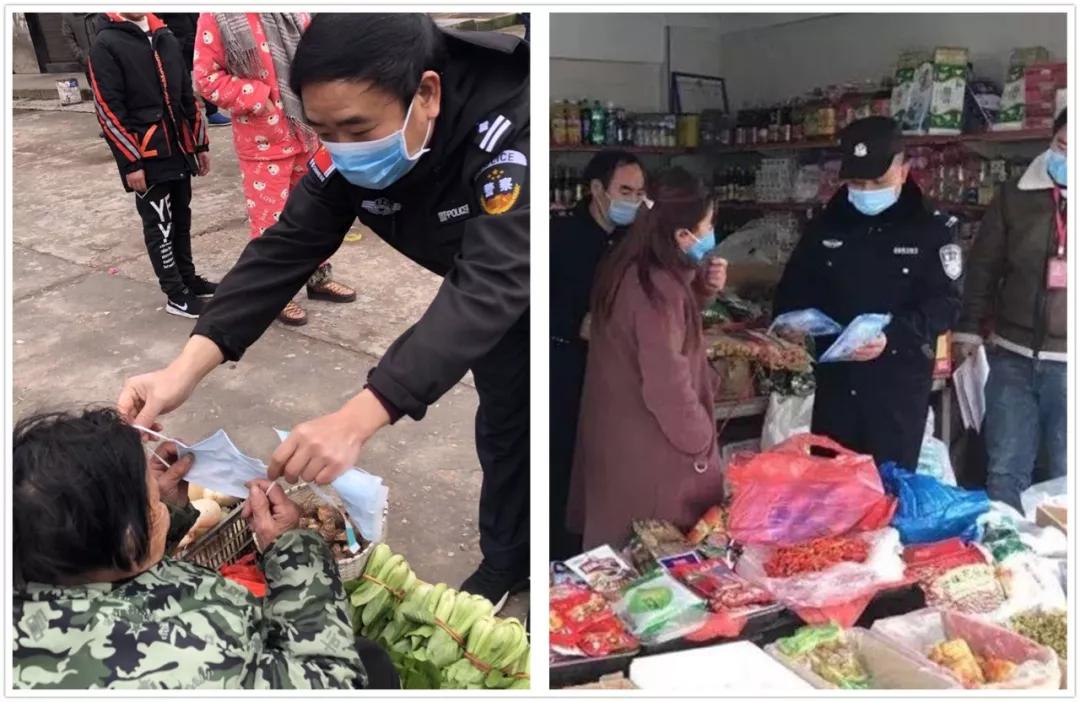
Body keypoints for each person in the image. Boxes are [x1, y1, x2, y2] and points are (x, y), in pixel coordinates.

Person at [118, 14, 529, 610]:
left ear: (429, 93)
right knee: (509, 425)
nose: (343, 146)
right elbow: (285, 249)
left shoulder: (510, 129)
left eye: (358, 128)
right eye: (323, 128)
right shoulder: (347, 147)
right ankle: (508, 560)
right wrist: (181, 371)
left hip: (560, 282)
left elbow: (490, 283)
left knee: (581, 427)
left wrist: (360, 416)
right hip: (486, 301)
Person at [11, 408, 395, 690]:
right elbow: (330, 682)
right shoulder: (186, 659)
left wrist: (168, 514)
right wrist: (290, 546)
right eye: (153, 503)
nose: (161, 501)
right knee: (371, 662)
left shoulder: (42, 571)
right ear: (126, 536)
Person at [774, 116, 962, 469]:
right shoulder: (828, 221)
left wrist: (890, 336)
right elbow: (793, 286)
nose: (867, 191)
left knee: (886, 494)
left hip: (896, 391)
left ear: (904, 170)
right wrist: (790, 322)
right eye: (858, 181)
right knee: (832, 489)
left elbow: (946, 305)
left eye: (878, 181)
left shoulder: (931, 228)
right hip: (836, 388)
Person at [567, 168, 727, 549]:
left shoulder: (629, 264)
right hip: (650, 448)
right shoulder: (656, 287)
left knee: (619, 563)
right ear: (681, 235)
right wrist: (702, 445)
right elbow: (667, 386)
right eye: (706, 226)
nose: (710, 235)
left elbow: (665, 329)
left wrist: (701, 287)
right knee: (651, 568)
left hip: (622, 439)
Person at [193, 12, 356, 326]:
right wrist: (259, 97)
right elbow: (205, 79)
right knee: (271, 226)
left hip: (306, 133)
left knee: (316, 214)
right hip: (262, 141)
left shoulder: (295, 11)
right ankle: (278, 295)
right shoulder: (218, 16)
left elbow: (318, 52)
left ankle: (318, 278)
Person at [953, 109, 1067, 509]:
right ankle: (1007, 558)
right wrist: (967, 329)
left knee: (1066, 476)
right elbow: (984, 264)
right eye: (1061, 146)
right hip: (1012, 357)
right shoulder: (1016, 194)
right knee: (1005, 469)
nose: (1066, 158)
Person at [89, 12, 217, 319]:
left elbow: (186, 93)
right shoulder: (106, 43)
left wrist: (199, 144)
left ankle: (189, 279)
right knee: (160, 225)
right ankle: (175, 294)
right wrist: (131, 162)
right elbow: (109, 110)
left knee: (181, 219)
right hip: (146, 154)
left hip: (179, 148)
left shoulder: (165, 36)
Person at [550, 150, 645, 560]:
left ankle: (601, 554)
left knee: (605, 469)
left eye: (640, 193)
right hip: (565, 367)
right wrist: (575, 324)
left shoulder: (634, 241)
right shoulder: (559, 235)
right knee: (561, 466)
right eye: (625, 191)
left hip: (616, 373)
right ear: (596, 190)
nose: (633, 201)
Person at [157, 13, 231, 127]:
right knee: (182, 80)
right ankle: (187, 116)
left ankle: (212, 112)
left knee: (207, 74)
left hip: (196, 36)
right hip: (177, 39)